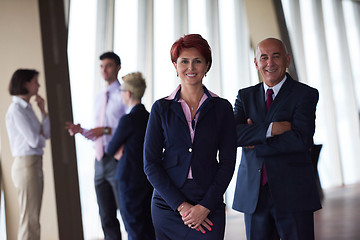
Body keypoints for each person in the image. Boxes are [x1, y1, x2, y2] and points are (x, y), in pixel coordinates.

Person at [143, 34, 237, 239]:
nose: (190, 67)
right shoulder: (161, 108)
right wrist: (182, 206)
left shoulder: (222, 108)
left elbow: (228, 162)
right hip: (168, 204)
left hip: (208, 202)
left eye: (197, 61)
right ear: (175, 66)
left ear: (207, 65)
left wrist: (204, 207)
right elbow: (150, 163)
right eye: (184, 61)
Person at [232, 37, 322, 240]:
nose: (270, 63)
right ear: (256, 63)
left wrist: (256, 142)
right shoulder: (245, 96)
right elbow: (233, 135)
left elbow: (301, 139)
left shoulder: (305, 94)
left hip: (294, 195)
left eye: (276, 56)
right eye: (263, 57)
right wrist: (272, 129)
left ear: (287, 60)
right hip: (254, 196)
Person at [65, 52, 126, 240]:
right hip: (99, 161)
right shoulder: (99, 96)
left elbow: (130, 128)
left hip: (118, 159)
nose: (104, 70)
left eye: (108, 65)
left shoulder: (124, 94)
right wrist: (82, 130)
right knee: (105, 215)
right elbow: (97, 132)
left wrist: (106, 131)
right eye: (101, 66)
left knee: (126, 211)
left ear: (117, 67)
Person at [107, 72, 155, 240]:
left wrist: (124, 150)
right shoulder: (150, 118)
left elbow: (111, 148)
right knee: (149, 226)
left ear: (128, 94)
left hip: (129, 181)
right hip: (149, 180)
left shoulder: (128, 120)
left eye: (121, 91)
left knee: (133, 227)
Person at [5, 69, 50, 240]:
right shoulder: (16, 109)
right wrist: (40, 137)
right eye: (35, 81)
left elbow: (45, 134)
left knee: (33, 218)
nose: (38, 85)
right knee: (29, 219)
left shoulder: (27, 108)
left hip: (34, 163)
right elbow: (34, 140)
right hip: (26, 165)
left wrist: (43, 111)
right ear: (25, 83)